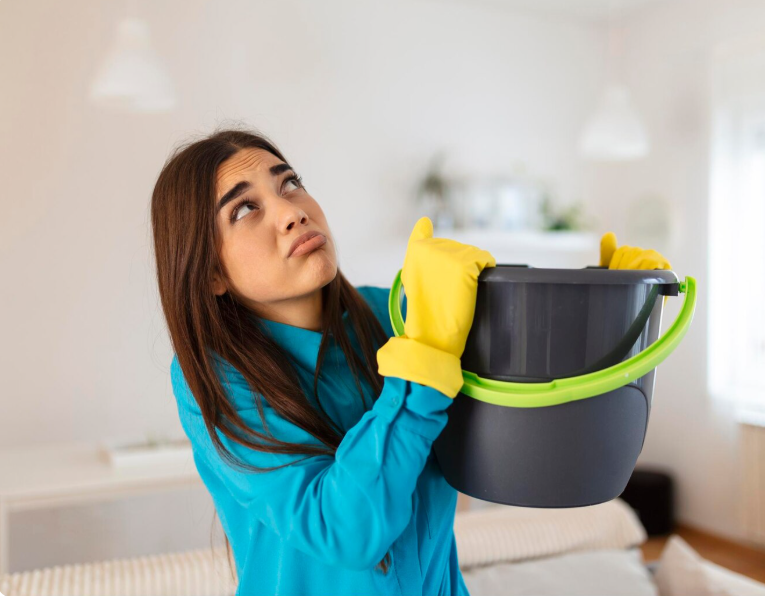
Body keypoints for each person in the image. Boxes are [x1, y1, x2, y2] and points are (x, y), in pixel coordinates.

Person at [150, 127, 671, 596]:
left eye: (289, 184)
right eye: (245, 209)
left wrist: (612, 308)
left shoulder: (395, 314)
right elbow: (345, 531)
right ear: (210, 273)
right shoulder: (212, 378)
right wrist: (423, 357)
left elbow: (525, 414)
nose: (292, 212)